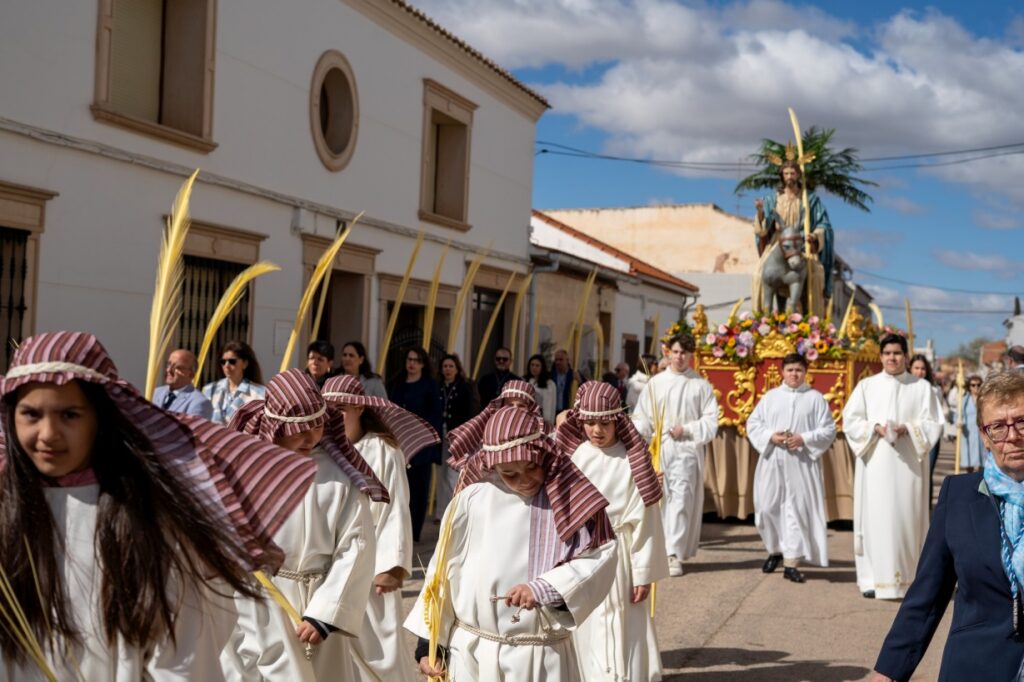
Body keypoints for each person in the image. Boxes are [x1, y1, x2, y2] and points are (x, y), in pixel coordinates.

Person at [0, 331, 317, 680]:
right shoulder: (8, 508)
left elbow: (182, 655)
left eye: (70, 415)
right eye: (30, 414)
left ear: (101, 417)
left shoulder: (146, 517)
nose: (48, 434)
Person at [405, 406, 619, 681]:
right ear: (492, 466)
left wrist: (546, 588)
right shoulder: (470, 500)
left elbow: (601, 557)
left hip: (536, 658)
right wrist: (431, 643)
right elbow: (441, 571)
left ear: (544, 455)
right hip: (470, 653)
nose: (524, 480)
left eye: (531, 467)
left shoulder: (572, 501)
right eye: (510, 473)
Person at [226, 369, 387, 681]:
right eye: (300, 429)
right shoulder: (246, 469)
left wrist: (325, 614)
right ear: (275, 426)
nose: (311, 437)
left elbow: (357, 546)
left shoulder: (340, 478)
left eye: (317, 425)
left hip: (309, 608)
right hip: (249, 601)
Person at [868, 371, 1024, 682]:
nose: (1013, 435)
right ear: (983, 435)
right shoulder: (959, 495)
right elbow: (929, 592)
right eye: (998, 426)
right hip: (978, 664)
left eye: (1022, 421)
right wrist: (887, 672)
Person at [323, 374, 439, 682]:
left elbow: (396, 508)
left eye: (341, 408)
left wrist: (390, 566)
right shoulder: (319, 450)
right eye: (328, 409)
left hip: (370, 565)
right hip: (326, 566)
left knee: (375, 652)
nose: (334, 416)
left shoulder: (383, 450)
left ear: (360, 408)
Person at [558, 381, 668, 681]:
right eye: (590, 422)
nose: (596, 430)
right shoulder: (575, 455)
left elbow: (646, 520)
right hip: (580, 553)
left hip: (618, 554)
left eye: (604, 423)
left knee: (620, 619)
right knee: (584, 621)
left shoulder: (633, 460)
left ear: (618, 421)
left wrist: (643, 573)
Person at [842, 333, 944, 600]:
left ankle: (910, 579)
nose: (892, 358)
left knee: (907, 518)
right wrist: (873, 428)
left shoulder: (921, 388)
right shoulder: (866, 386)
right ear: (881, 356)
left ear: (906, 357)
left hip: (908, 466)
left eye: (897, 353)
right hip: (875, 464)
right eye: (887, 353)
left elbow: (934, 423)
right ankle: (872, 580)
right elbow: (850, 421)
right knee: (875, 518)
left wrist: (907, 428)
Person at [633, 333, 719, 577]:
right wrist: (640, 436)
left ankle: (673, 553)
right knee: (657, 499)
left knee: (680, 501)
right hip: (658, 451)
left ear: (691, 355)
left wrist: (688, 429)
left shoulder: (700, 385)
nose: (679, 357)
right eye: (676, 352)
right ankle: (655, 550)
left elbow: (711, 421)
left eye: (685, 353)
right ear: (668, 353)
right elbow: (642, 417)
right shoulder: (655, 383)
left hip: (686, 451)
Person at [747, 352, 836, 582]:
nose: (794, 374)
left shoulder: (815, 398)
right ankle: (775, 549)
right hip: (773, 459)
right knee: (767, 508)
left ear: (805, 372)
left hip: (801, 461)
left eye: (798, 370)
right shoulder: (771, 397)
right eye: (790, 370)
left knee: (796, 509)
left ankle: (791, 561)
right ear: (782, 372)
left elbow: (828, 430)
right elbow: (753, 424)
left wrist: (804, 438)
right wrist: (770, 436)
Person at [754, 158, 835, 300]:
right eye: (786, 173)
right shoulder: (772, 200)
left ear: (798, 175)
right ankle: (762, 317)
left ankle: (813, 316)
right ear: (781, 176)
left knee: (816, 274)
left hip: (802, 243)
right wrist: (761, 212)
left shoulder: (810, 200)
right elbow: (762, 230)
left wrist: (815, 236)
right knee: (759, 273)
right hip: (778, 243)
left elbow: (824, 224)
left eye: (792, 173)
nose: (789, 177)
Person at [387, 347, 442, 542]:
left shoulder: (430, 385)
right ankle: (399, 529)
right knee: (400, 488)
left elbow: (435, 415)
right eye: (409, 359)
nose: (411, 364)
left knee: (419, 491)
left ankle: (414, 531)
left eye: (416, 360)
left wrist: (420, 432)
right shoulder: (398, 384)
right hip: (399, 444)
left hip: (421, 445)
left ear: (423, 364)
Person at [446, 379, 549, 472]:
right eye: (509, 405)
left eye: (521, 406)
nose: (514, 409)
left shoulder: (541, 436)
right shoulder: (489, 430)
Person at [436, 353, 475, 520]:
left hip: (457, 436)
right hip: (440, 435)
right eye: (445, 366)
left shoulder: (464, 387)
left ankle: (455, 510)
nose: (448, 369)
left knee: (453, 474)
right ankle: (441, 512)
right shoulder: (438, 387)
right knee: (441, 473)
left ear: (457, 369)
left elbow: (469, 412)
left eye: (451, 366)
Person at [909, 354, 947, 506]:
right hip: (910, 435)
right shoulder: (906, 388)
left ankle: (926, 507)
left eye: (922, 368)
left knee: (927, 472)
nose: (919, 372)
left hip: (930, 438)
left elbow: (942, 410)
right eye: (916, 368)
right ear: (910, 369)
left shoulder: (934, 390)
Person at [202, 340, 266, 425]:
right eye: (223, 362)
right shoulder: (210, 390)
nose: (226, 366)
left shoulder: (259, 394)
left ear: (245, 364)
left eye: (232, 361)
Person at [151, 348, 213, 418]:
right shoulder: (155, 393)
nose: (169, 370)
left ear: (191, 374)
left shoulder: (199, 402)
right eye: (168, 365)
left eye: (177, 367)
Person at [961, 375, 986, 473]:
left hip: (982, 433)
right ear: (969, 387)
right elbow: (958, 415)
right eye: (973, 385)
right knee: (968, 460)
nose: (976, 387)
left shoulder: (984, 400)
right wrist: (959, 422)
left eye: (978, 385)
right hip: (968, 433)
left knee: (983, 460)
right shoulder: (964, 400)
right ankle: (970, 481)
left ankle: (980, 482)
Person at [526, 353, 556, 423]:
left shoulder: (549, 384)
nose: (534, 368)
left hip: (542, 418)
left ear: (542, 367)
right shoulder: (527, 380)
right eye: (532, 365)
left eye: (537, 366)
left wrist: (548, 423)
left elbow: (551, 406)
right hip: (528, 417)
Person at [551, 349, 577, 414]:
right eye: (556, 360)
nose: (558, 362)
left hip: (568, 410)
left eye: (561, 360)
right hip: (554, 411)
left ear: (567, 361)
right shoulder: (550, 375)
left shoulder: (573, 375)